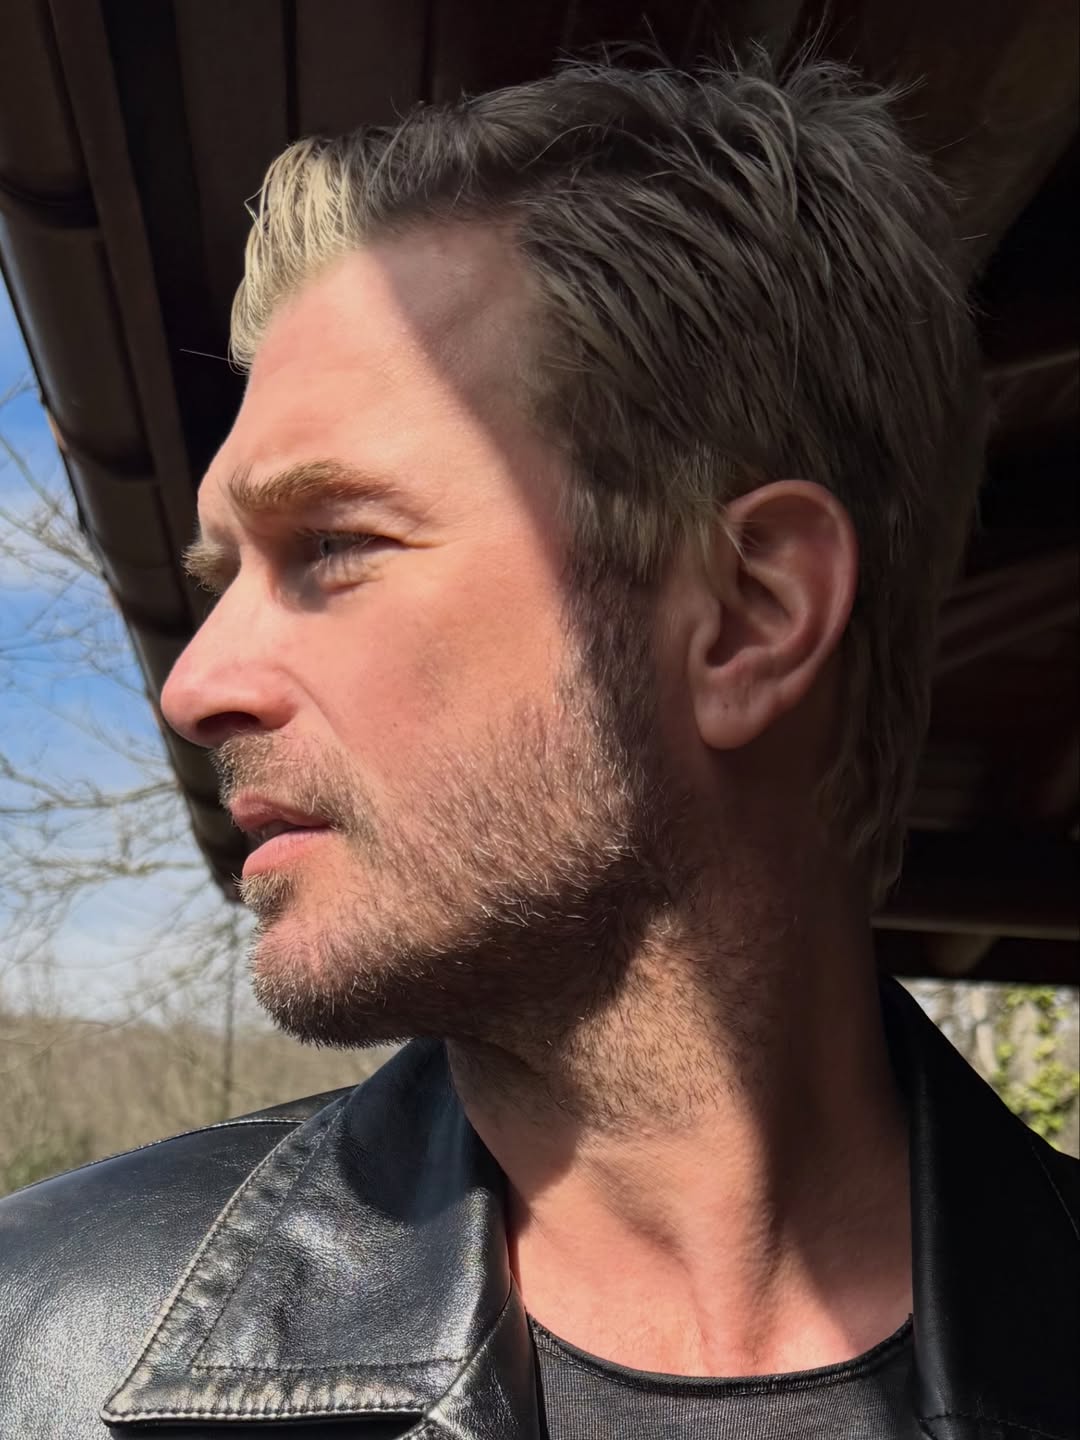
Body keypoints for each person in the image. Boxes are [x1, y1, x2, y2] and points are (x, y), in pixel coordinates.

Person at [1, 53, 1076, 1440]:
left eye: (333, 545)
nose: (195, 686)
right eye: (223, 583)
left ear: (748, 614)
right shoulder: (44, 1352)